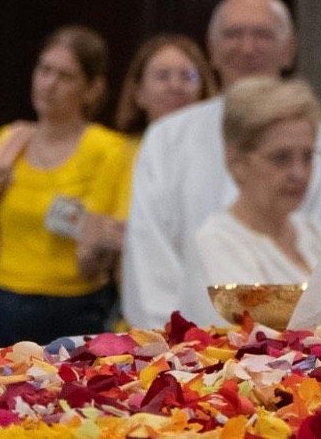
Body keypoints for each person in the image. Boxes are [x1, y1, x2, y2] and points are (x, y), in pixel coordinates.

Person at [121, 0, 321, 328]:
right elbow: (149, 253)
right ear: (211, 49)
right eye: (233, 34)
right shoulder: (167, 138)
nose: (247, 48)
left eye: (262, 34)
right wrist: (169, 340)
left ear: (288, 50)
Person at [0, 26, 130, 343]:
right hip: (1, 300)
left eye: (65, 77)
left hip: (74, 307)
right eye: (44, 70)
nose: (49, 84)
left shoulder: (108, 149)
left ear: (92, 89)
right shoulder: (8, 140)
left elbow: (107, 241)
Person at [76, 35, 220, 282]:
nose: (175, 85)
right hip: (137, 299)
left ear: (203, 91)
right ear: (139, 94)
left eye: (187, 76)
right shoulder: (118, 155)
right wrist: (104, 244)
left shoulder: (224, 156)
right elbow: (85, 264)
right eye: (163, 76)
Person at [190, 78, 321, 299]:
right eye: (281, 158)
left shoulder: (317, 237)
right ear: (237, 162)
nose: (299, 173)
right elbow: (249, 321)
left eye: (307, 157)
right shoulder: (217, 243)